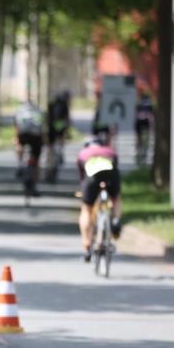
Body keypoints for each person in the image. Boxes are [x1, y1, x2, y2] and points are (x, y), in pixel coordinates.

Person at [76, 127, 122, 262]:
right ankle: (116, 219)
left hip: (92, 176)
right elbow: (116, 167)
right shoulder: (110, 151)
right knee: (115, 198)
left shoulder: (83, 153)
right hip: (111, 172)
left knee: (86, 209)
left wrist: (85, 193)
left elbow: (82, 177)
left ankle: (87, 247)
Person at [14, 99, 45, 196]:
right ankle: (35, 184)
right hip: (36, 137)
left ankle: (20, 164)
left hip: (23, 136)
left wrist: (16, 139)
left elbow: (17, 127)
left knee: (19, 146)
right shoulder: (39, 111)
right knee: (36, 161)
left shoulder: (20, 111)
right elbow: (42, 128)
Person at [46, 90, 71, 182]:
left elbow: (47, 117)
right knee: (60, 142)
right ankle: (60, 153)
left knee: (50, 149)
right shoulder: (64, 105)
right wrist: (68, 131)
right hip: (60, 127)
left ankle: (48, 168)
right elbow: (67, 118)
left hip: (51, 128)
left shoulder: (51, 104)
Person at [134, 91, 155, 163]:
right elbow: (152, 116)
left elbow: (135, 114)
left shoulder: (138, 104)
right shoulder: (150, 105)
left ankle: (138, 150)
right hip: (146, 122)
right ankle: (144, 150)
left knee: (139, 138)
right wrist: (153, 126)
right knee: (146, 138)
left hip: (138, 122)